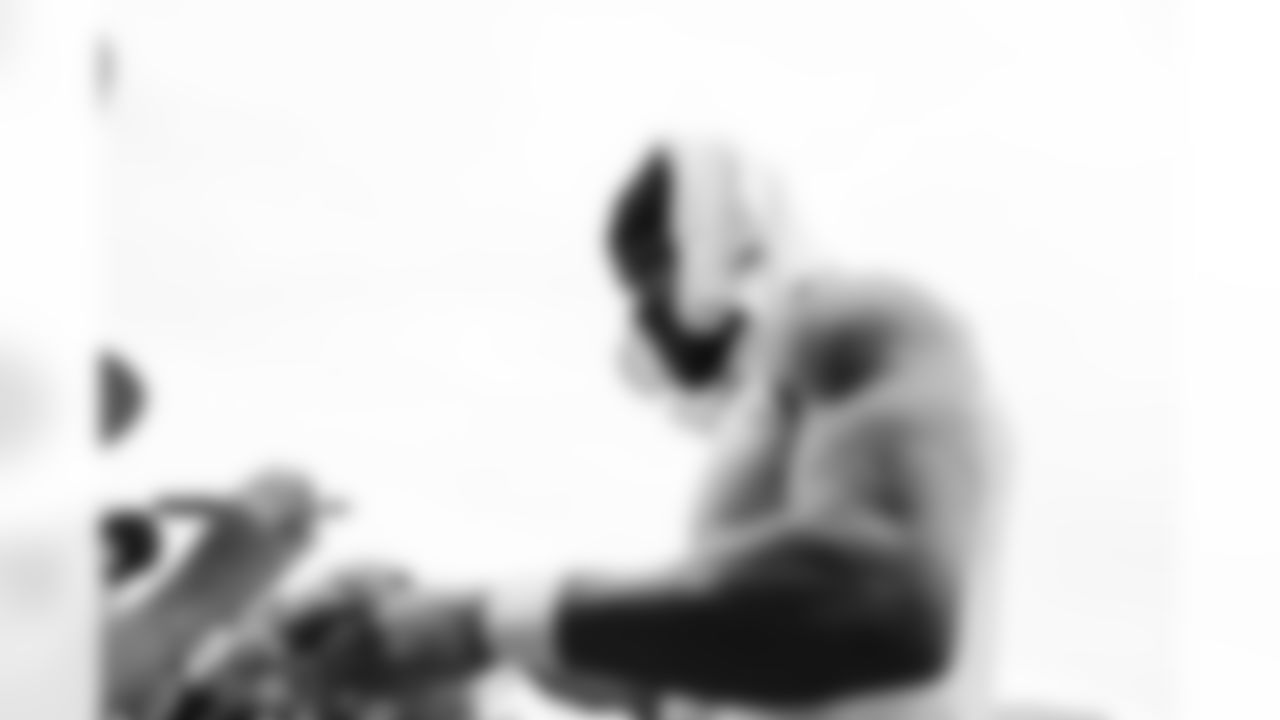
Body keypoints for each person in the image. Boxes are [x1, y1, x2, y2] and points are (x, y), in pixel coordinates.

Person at [270, 137, 997, 720]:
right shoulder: (772, 408)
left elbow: (884, 604)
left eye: (655, 271)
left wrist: (482, 618)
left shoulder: (854, 313)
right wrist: (505, 647)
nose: (648, 315)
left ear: (723, 235)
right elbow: (763, 672)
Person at [99, 350, 334, 720]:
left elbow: (169, 499)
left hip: (147, 633)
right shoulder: (289, 548)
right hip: (188, 650)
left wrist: (223, 503)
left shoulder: (245, 518)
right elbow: (306, 529)